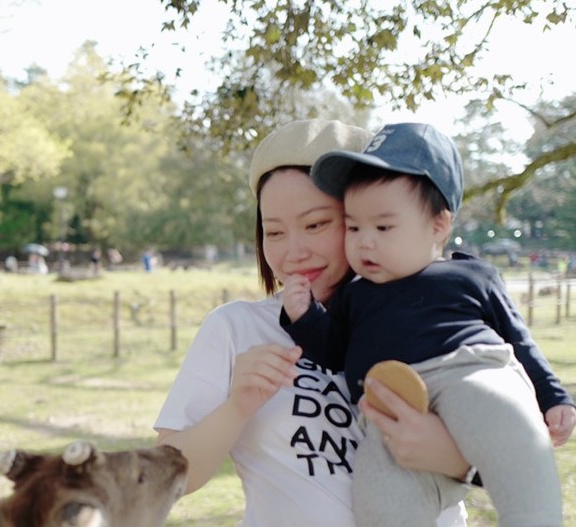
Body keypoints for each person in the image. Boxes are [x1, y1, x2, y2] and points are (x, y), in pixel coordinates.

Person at [155, 119, 469, 527]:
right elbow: (166, 479)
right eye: (275, 232)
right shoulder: (236, 329)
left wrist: (449, 454)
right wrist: (237, 406)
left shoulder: (438, 319)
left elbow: (509, 448)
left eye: (316, 224)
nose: (294, 252)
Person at [280, 122, 576, 527]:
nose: (365, 241)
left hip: (469, 373)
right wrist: (304, 315)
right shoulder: (356, 294)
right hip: (387, 414)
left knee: (513, 441)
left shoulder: (470, 275)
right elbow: (332, 352)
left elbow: (519, 341)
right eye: (353, 226)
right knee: (378, 499)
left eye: (383, 227)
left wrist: (553, 397)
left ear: (438, 225)